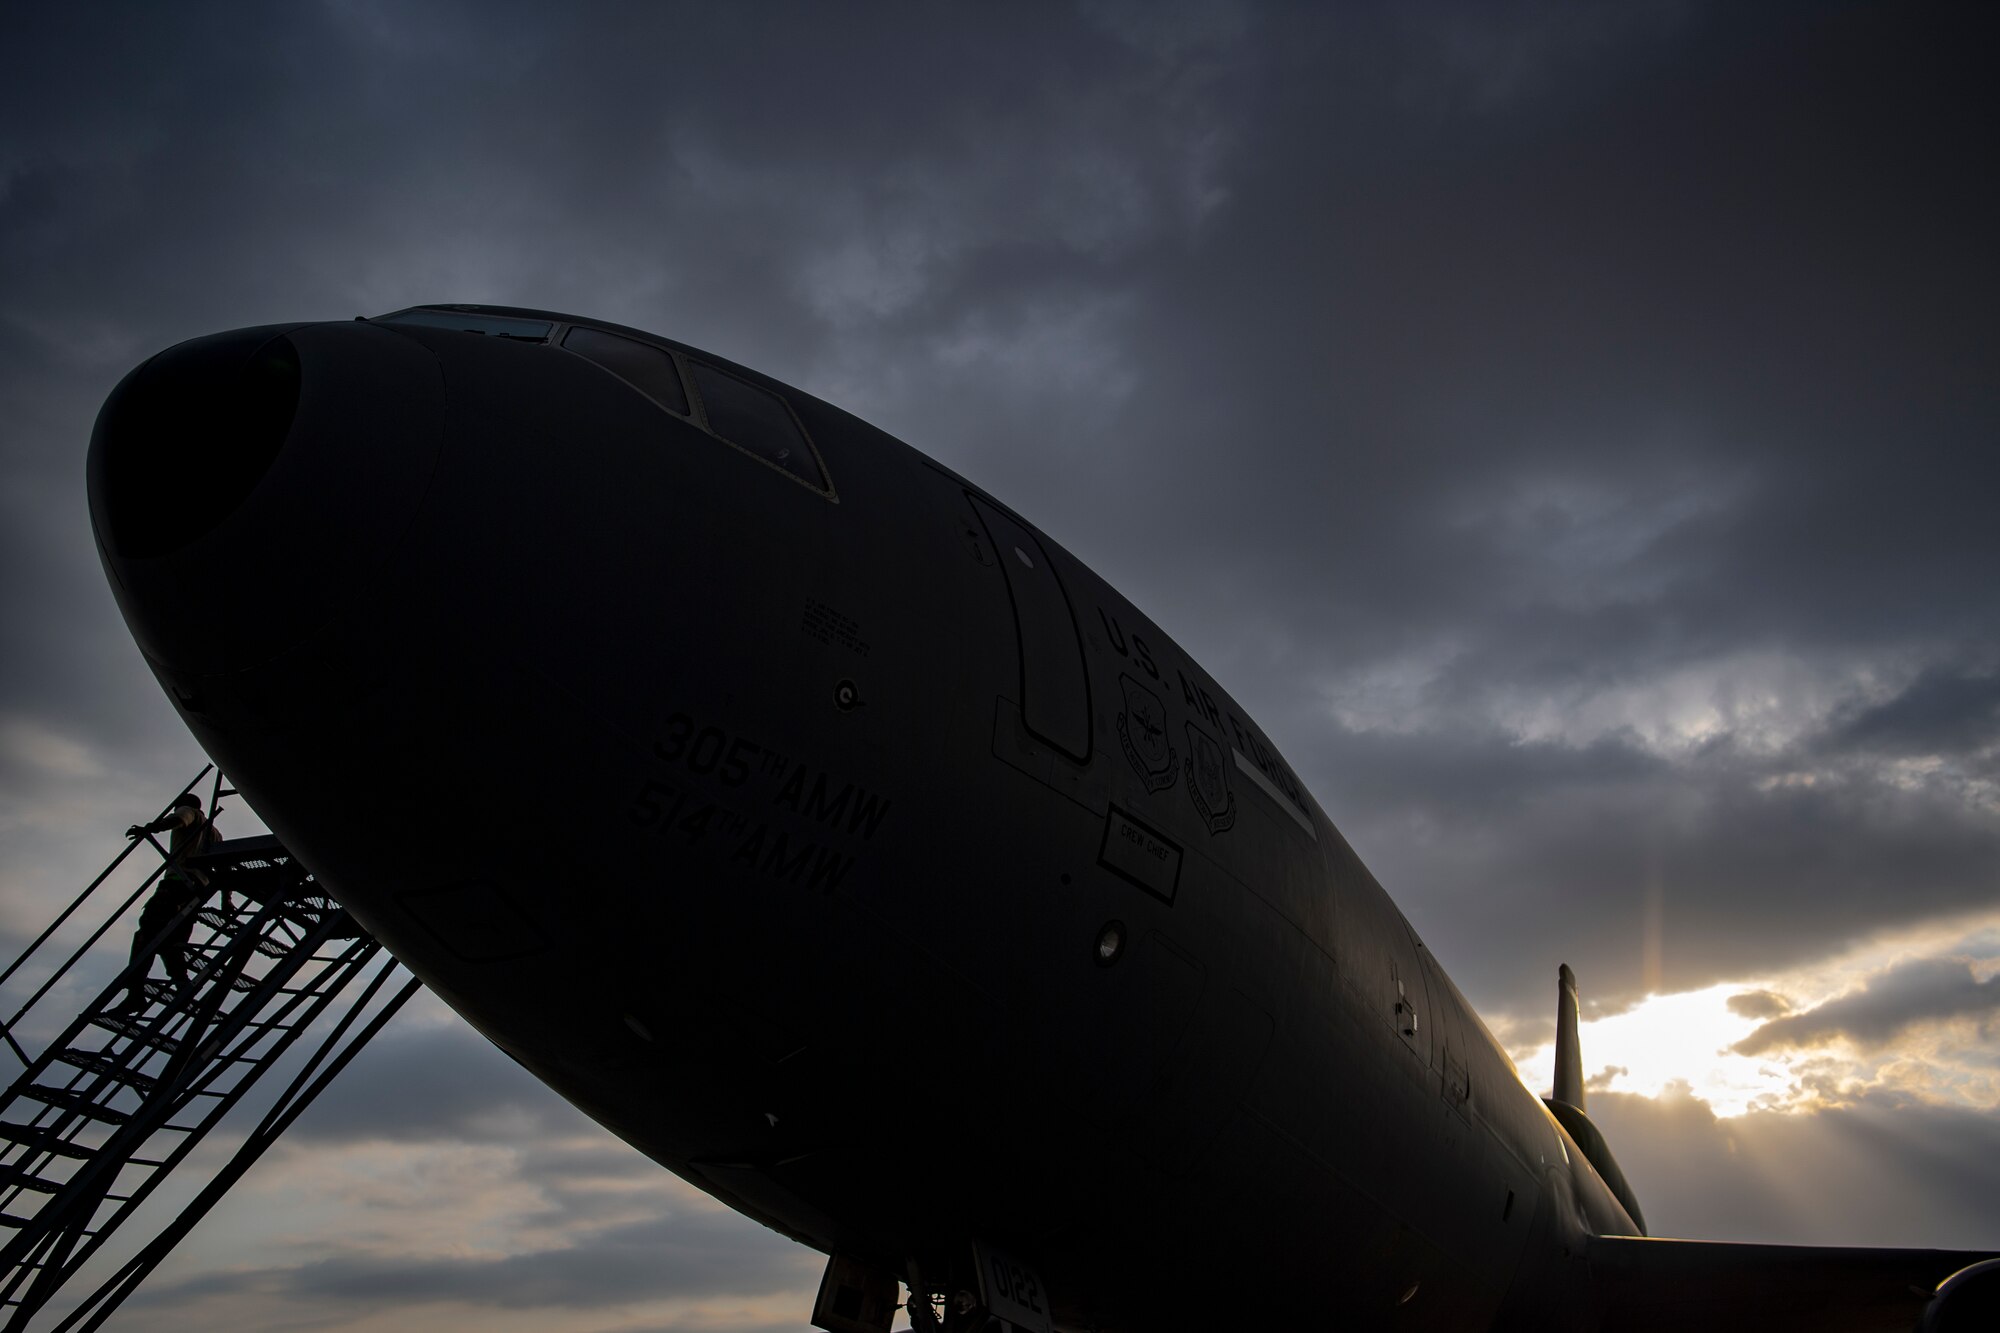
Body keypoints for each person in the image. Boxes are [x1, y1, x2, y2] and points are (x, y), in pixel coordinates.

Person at [114, 791, 220, 1013]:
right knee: (171, 941)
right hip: (197, 892)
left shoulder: (189, 812)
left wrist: (151, 828)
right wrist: (226, 900)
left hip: (176, 884)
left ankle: (135, 994)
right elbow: (222, 868)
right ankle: (182, 984)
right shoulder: (214, 833)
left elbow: (179, 819)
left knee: (146, 935)